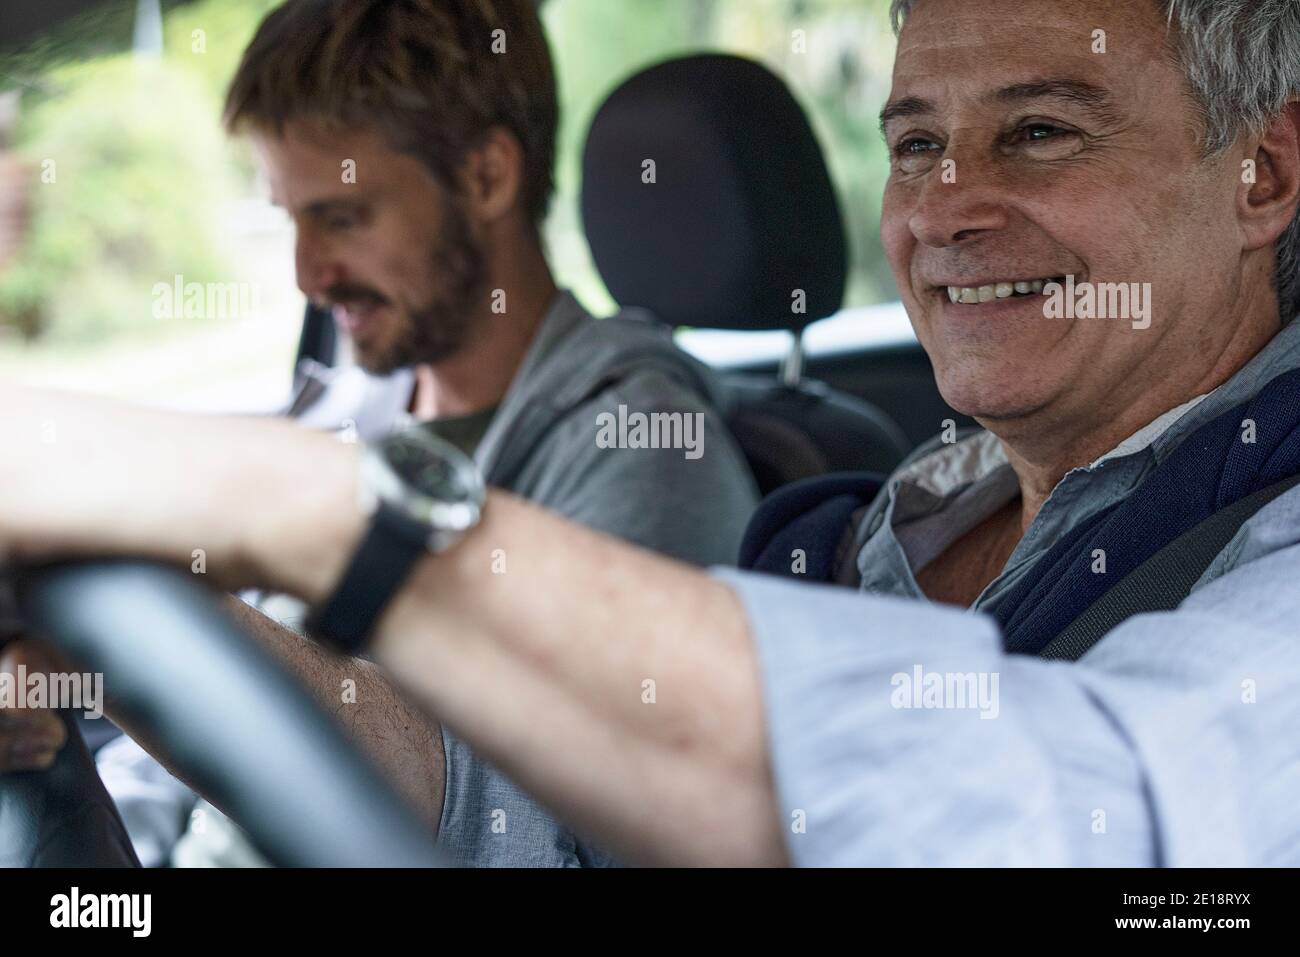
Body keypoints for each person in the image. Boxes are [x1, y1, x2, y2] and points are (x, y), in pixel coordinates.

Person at [4, 0, 1300, 866]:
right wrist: (149, 637)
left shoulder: (1271, 554)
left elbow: (1103, 813)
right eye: (914, 146)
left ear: (1265, 176)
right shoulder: (876, 522)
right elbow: (529, 816)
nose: (946, 208)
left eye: (1038, 133)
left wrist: (301, 510)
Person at [0, 0, 757, 868]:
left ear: (486, 178)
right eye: (290, 217)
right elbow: (167, 774)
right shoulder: (346, 415)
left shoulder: (643, 457)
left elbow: (551, 838)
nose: (306, 274)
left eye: (344, 216)